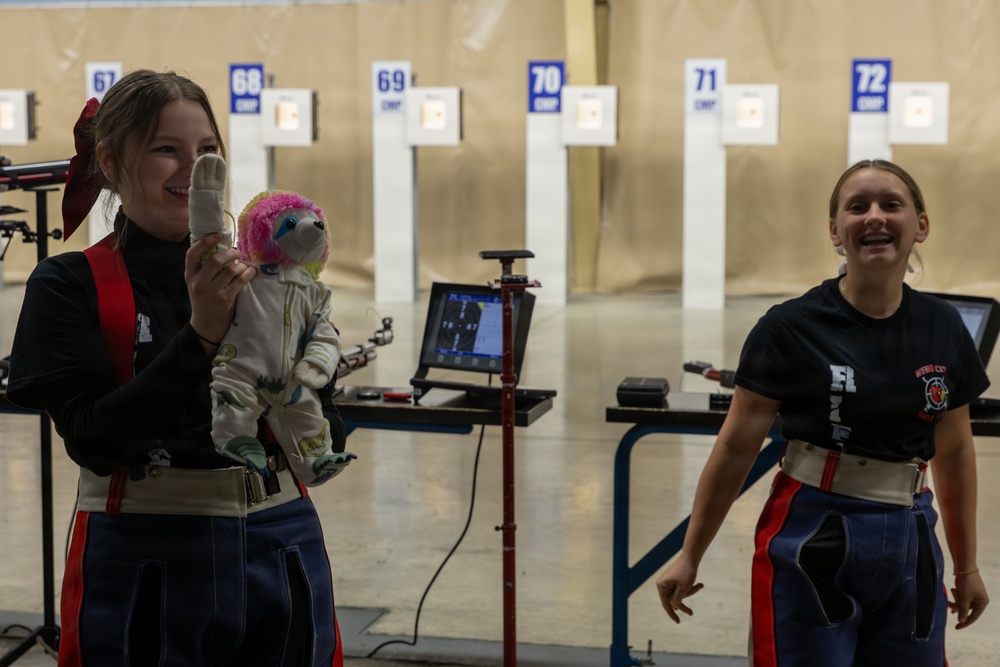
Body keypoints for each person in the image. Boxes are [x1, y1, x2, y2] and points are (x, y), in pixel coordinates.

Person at [6, 69, 348, 666]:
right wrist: (203, 334)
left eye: (208, 150)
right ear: (110, 163)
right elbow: (95, 440)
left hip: (282, 542)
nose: (194, 169)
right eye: (166, 150)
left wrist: (301, 365)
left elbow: (329, 432)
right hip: (143, 558)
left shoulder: (266, 282)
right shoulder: (68, 283)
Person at [655, 159, 990, 666]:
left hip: (911, 540)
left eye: (891, 204)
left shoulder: (944, 327)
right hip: (809, 534)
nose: (874, 216)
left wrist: (966, 568)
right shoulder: (789, 328)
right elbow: (735, 447)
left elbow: (956, 450)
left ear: (921, 224)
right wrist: (689, 553)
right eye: (857, 208)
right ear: (835, 232)